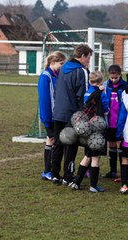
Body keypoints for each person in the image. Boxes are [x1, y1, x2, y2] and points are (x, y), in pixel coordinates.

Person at [51, 44, 93, 185]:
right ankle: (67, 176)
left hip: (58, 112)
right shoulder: (81, 71)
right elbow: (83, 95)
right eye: (88, 58)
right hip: (72, 113)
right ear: (82, 57)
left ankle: (55, 174)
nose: (89, 62)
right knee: (71, 145)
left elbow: (57, 90)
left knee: (57, 143)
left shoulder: (63, 68)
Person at [70, 71, 109, 192]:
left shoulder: (87, 93)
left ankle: (76, 182)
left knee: (87, 156)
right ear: (101, 82)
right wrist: (104, 93)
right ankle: (93, 185)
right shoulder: (101, 94)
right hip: (97, 128)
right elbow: (106, 110)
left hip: (87, 127)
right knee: (95, 157)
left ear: (89, 81)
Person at [38, 51, 66, 181]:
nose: (62, 66)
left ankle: (50, 171)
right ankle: (47, 171)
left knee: (54, 141)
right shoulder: (46, 76)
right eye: (61, 63)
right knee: (52, 140)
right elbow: (44, 100)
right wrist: (47, 120)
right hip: (51, 117)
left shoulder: (56, 75)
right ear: (53, 62)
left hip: (57, 116)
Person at [101, 65, 127, 180]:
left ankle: (123, 172)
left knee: (120, 145)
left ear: (120, 75)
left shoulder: (125, 86)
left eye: (115, 78)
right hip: (109, 121)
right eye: (111, 78)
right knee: (111, 145)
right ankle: (112, 171)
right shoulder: (106, 86)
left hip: (120, 122)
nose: (113, 80)